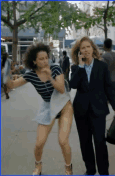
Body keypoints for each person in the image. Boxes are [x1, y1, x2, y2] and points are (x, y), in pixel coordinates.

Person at [5, 43, 74, 175]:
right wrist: (6, 73)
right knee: (39, 143)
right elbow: (12, 84)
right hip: (48, 106)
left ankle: (68, 169)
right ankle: (38, 167)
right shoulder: (31, 74)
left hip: (63, 104)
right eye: (41, 59)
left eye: (46, 57)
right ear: (34, 61)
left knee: (63, 141)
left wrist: (49, 78)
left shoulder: (55, 68)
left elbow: (61, 89)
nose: (45, 61)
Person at [69, 36, 115, 175]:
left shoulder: (102, 66)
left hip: (98, 110)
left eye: (88, 47)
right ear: (79, 52)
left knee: (100, 142)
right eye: (82, 48)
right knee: (85, 143)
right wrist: (80, 66)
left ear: (93, 48)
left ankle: (104, 172)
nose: (85, 50)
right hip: (81, 111)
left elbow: (109, 87)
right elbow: (73, 85)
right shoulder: (75, 67)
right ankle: (90, 170)